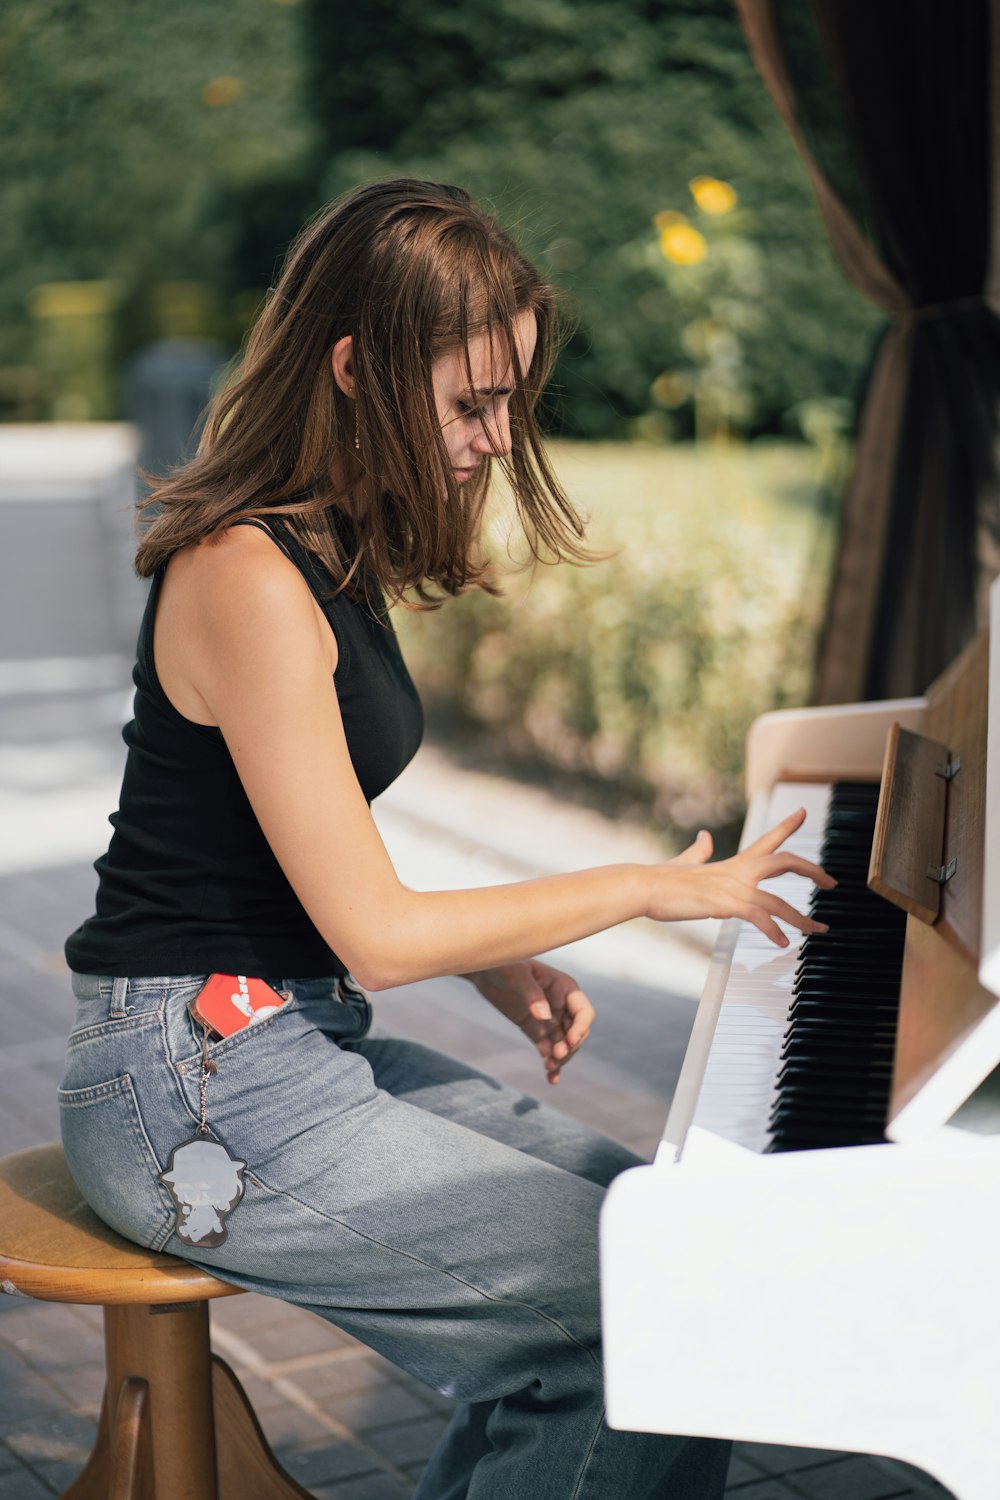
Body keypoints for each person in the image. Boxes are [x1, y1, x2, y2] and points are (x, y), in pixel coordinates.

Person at [61, 179, 832, 1499]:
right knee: (641, 1299)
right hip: (187, 1088)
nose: (496, 439)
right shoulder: (246, 574)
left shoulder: (327, 550)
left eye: (509, 406)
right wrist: (648, 885)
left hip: (279, 1041)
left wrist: (487, 960)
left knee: (671, 1251)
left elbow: (303, 867)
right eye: (475, 403)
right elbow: (377, 930)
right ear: (356, 368)